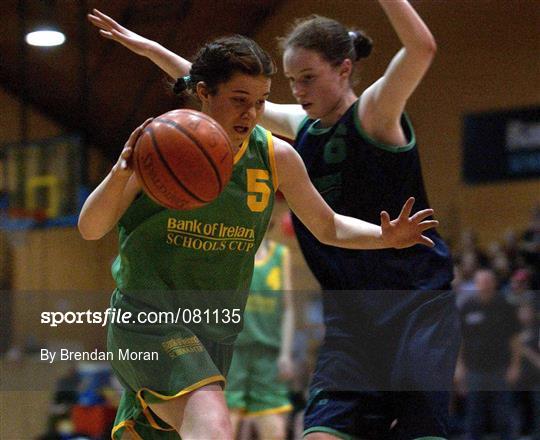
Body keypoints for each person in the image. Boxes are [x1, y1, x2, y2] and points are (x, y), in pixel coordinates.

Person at [82, 12, 439, 440]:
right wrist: (121, 172)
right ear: (203, 93)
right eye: (238, 99)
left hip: (213, 332)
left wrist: (385, 236)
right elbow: (90, 227)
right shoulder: (167, 145)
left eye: (261, 101)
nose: (251, 112)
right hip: (146, 318)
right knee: (213, 422)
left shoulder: (274, 156)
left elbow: (327, 226)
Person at [226, 236, 294, 440]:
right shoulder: (231, 252)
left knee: (275, 432)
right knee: (225, 425)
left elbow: (288, 309)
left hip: (268, 355)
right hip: (232, 352)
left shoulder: (281, 255)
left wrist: (286, 353)